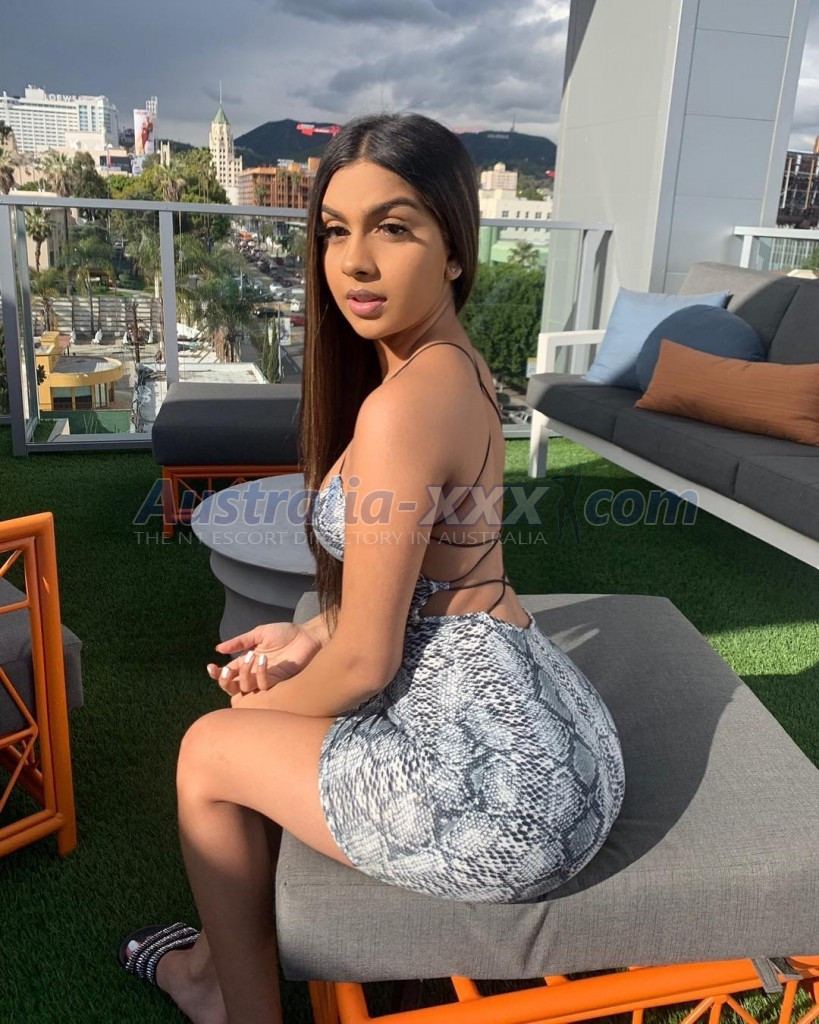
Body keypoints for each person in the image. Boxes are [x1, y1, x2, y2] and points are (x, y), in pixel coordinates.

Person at [118, 111, 626, 1023]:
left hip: (504, 800)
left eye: (392, 228)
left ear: (455, 250)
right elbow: (442, 573)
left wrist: (250, 714)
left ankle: (225, 997)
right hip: (555, 743)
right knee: (249, 725)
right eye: (334, 231)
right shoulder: (454, 367)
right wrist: (313, 632)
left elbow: (368, 664)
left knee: (207, 750)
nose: (353, 262)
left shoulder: (400, 408)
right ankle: (212, 967)